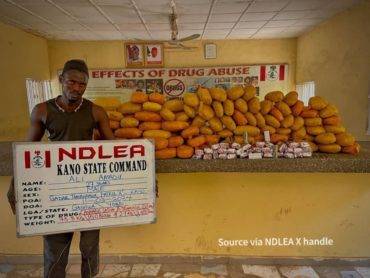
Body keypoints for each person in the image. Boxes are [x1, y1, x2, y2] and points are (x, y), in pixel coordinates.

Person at [7, 59, 115, 278]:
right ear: (61, 80)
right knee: (55, 249)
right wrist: (14, 184)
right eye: (71, 82)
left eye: (82, 84)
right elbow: (27, 153)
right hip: (56, 191)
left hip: (89, 189)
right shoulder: (41, 111)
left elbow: (115, 149)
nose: (76, 88)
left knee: (90, 247)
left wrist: (146, 176)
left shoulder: (96, 112)